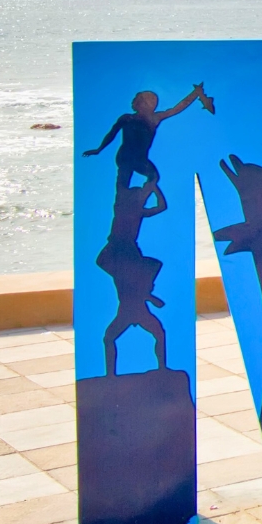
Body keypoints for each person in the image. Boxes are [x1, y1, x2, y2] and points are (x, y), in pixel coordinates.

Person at [98, 181, 170, 375]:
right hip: (120, 249)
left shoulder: (135, 210)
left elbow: (161, 206)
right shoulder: (123, 208)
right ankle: (112, 375)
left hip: (127, 252)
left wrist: (154, 185)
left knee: (113, 337)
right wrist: (153, 185)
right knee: (155, 333)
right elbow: (125, 186)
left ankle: (113, 375)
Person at [84, 85, 211, 194]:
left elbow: (177, 109)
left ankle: (140, 198)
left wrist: (195, 93)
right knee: (123, 185)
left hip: (141, 159)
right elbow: (112, 134)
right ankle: (124, 201)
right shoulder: (127, 118)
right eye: (139, 101)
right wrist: (99, 149)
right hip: (125, 157)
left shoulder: (154, 118)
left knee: (153, 177)